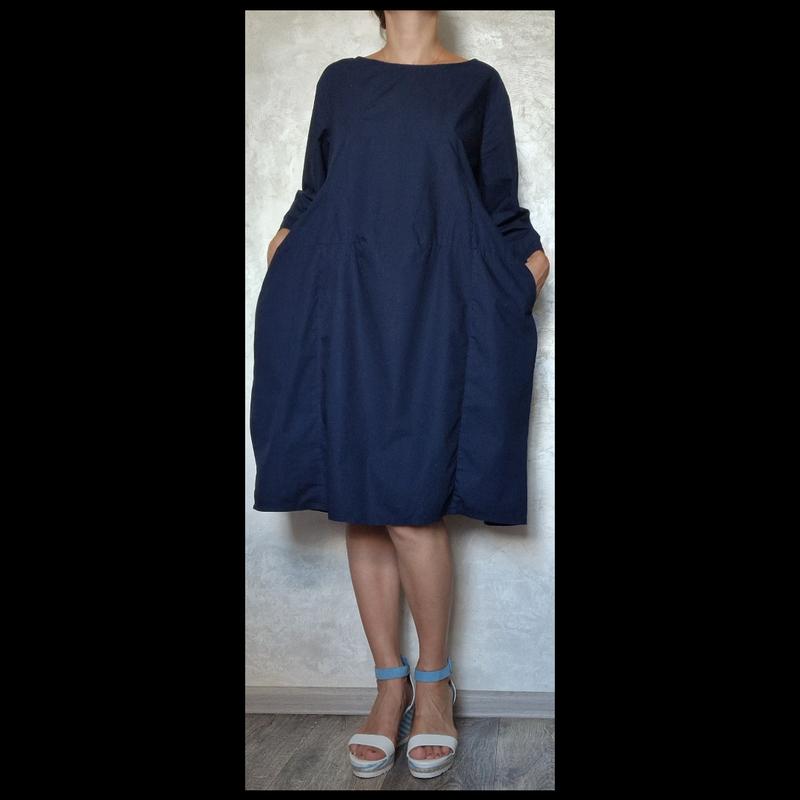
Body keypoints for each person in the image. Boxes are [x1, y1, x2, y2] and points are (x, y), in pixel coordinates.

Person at [250, 10, 550, 780]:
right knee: (363, 506)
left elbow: (500, 206)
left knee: (413, 508)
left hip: (435, 311)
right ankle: (388, 687)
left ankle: (434, 683)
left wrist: (526, 272)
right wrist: (286, 250)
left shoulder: (478, 85)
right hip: (347, 305)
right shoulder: (341, 81)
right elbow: (315, 192)